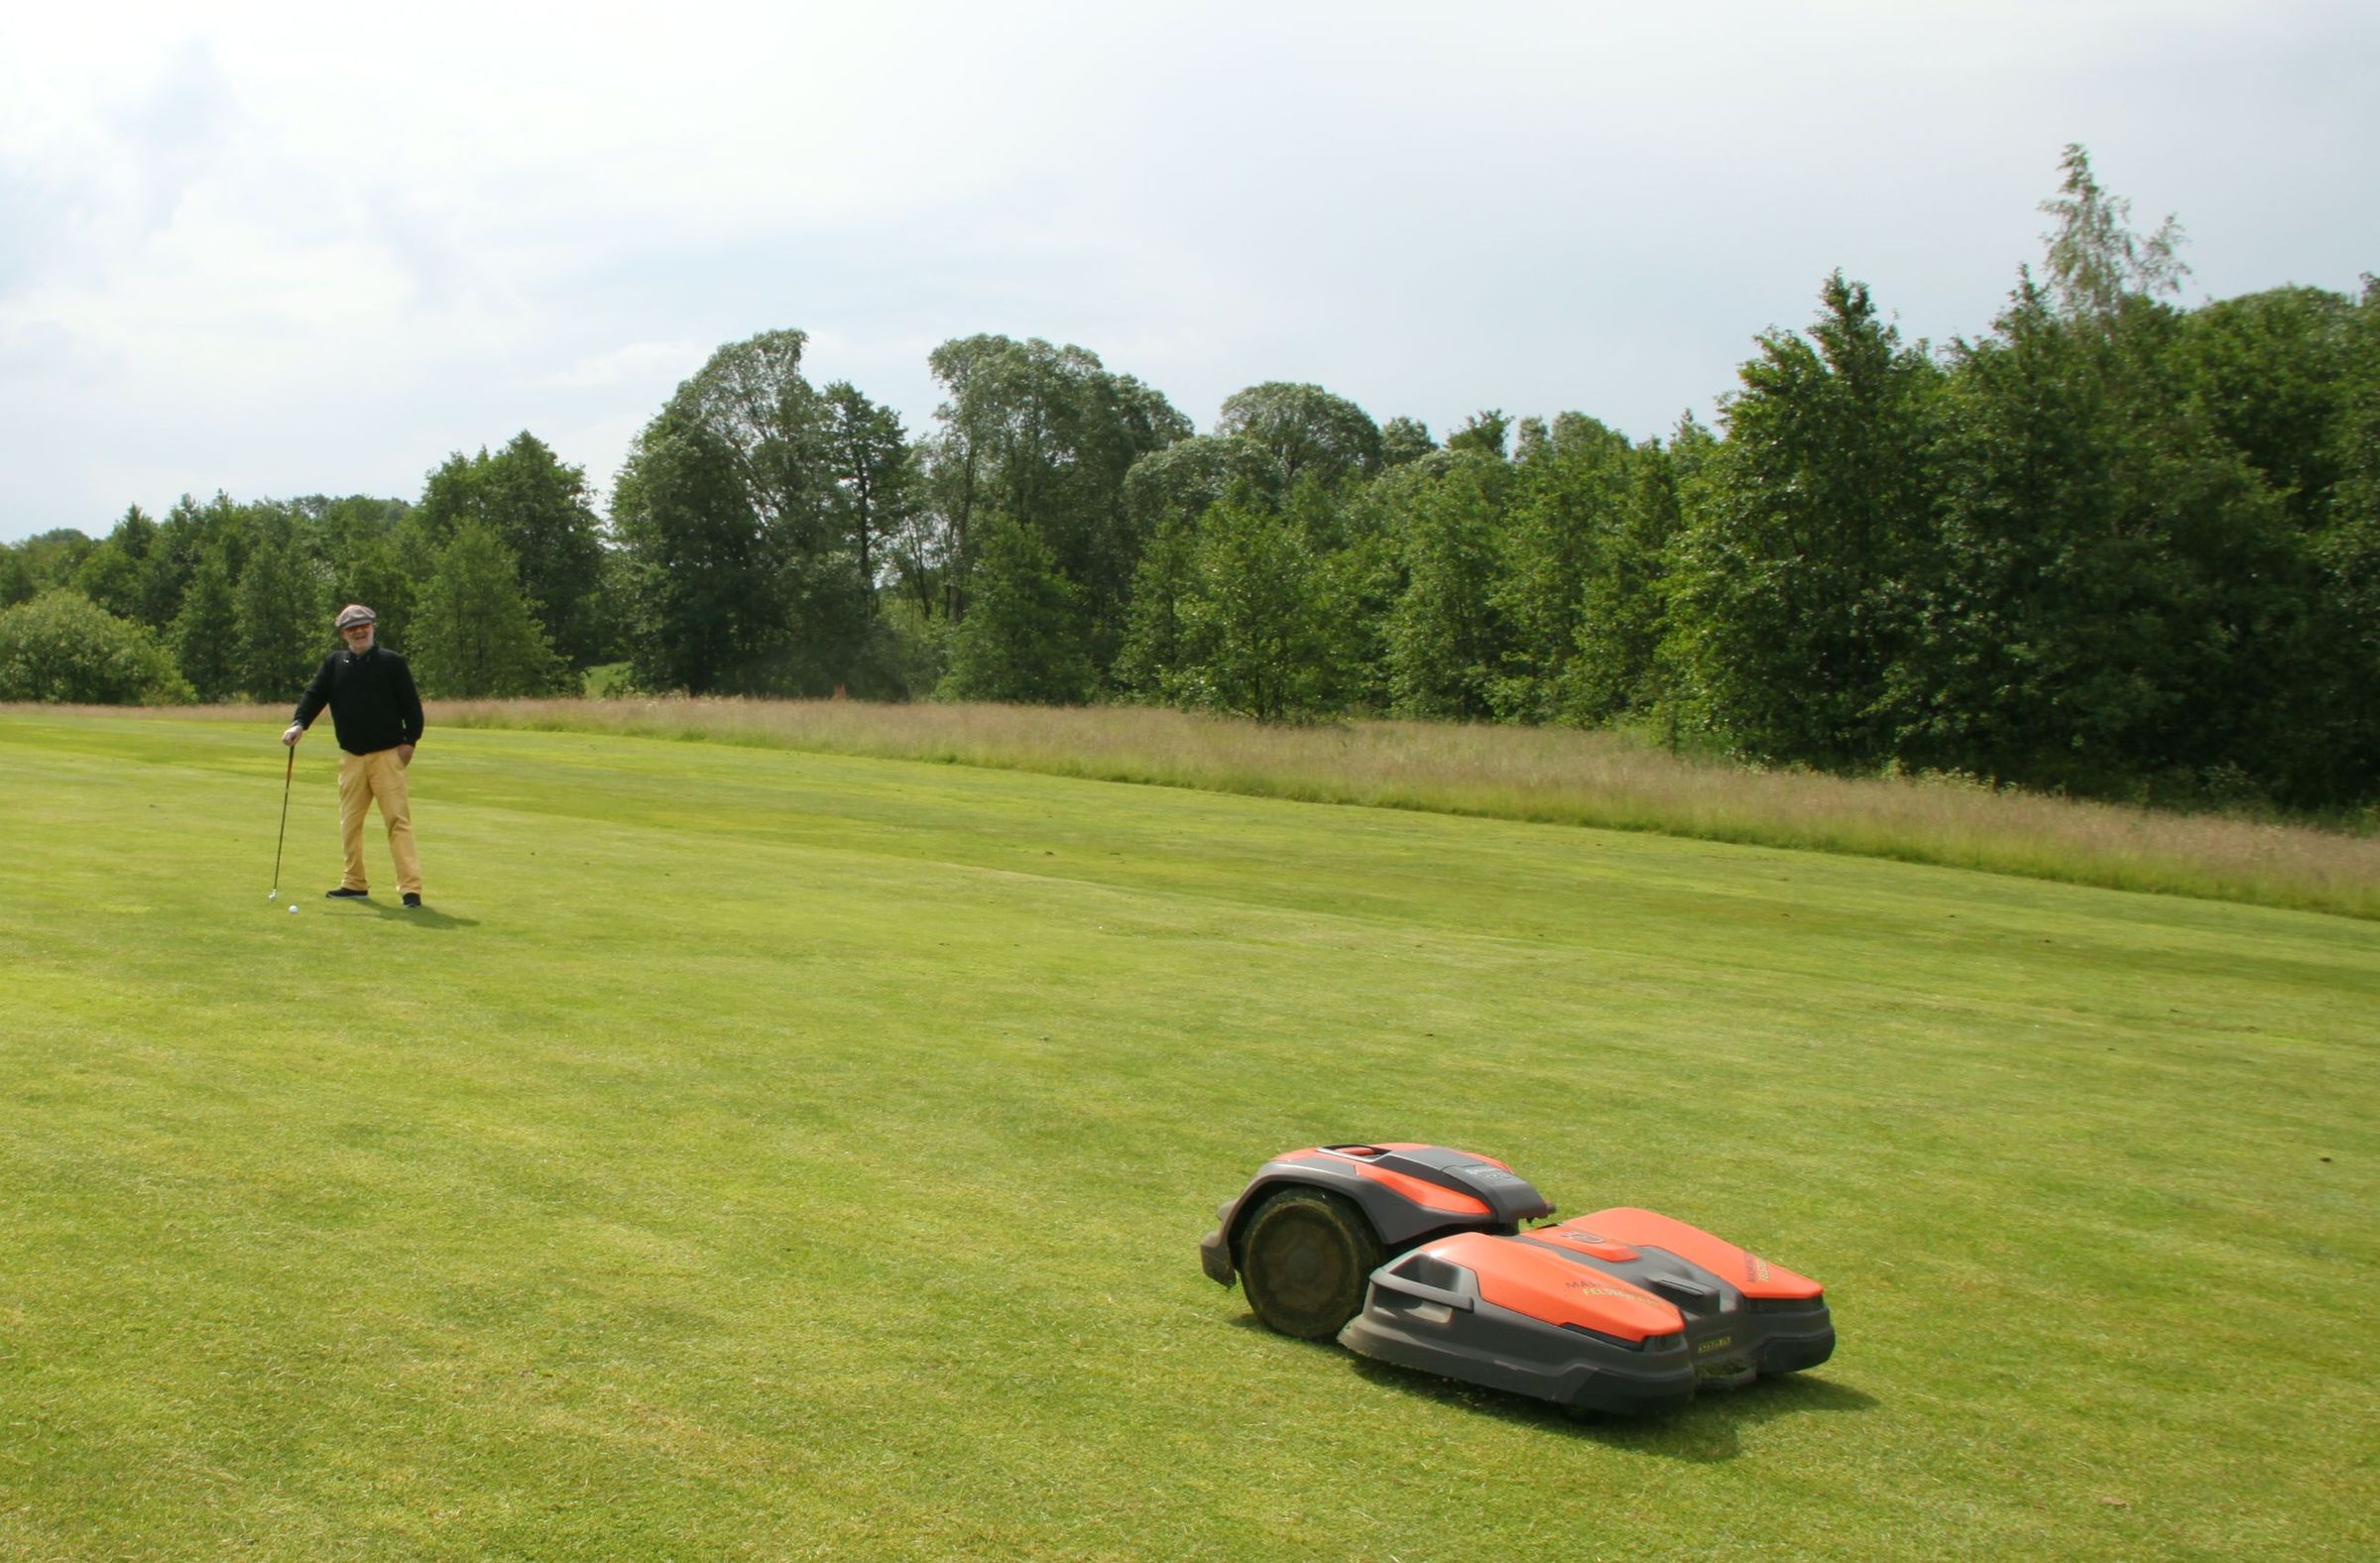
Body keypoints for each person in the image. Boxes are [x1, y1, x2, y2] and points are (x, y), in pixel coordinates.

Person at [282, 603, 427, 907]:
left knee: (397, 822)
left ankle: (410, 889)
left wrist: (409, 742)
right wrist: (298, 724)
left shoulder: (392, 662)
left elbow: (412, 706)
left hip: (388, 755)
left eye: (364, 626)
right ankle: (354, 883)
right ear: (344, 634)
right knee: (350, 823)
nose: (359, 632)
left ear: (373, 626)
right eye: (352, 629)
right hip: (351, 757)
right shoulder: (335, 663)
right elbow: (314, 695)